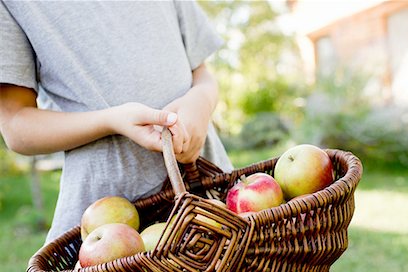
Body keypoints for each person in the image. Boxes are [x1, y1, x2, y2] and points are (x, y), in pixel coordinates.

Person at [0, 1, 233, 243]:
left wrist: (201, 101)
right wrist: (111, 120)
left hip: (207, 187)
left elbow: (202, 73)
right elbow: (15, 123)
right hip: (110, 225)